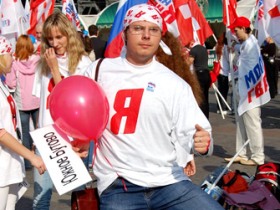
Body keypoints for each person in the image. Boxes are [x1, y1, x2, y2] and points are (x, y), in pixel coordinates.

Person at [82, 4, 223, 209]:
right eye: (138, 28)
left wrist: (203, 143)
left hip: (169, 182)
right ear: (125, 34)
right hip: (120, 184)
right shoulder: (99, 71)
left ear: (160, 37)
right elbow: (78, 112)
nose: (146, 35)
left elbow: (197, 131)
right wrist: (80, 139)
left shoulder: (175, 83)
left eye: (153, 30)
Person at [32, 12, 92, 210]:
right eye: (50, 38)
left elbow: (69, 102)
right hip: (47, 136)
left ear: (69, 35)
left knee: (80, 195)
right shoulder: (42, 63)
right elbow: (41, 104)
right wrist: (35, 137)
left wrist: (56, 69)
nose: (54, 43)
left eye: (59, 37)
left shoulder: (83, 64)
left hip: (74, 137)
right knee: (41, 195)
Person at [0, 36, 46, 210]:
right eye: (9, 54)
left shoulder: (2, 84)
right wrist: (31, 156)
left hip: (9, 165)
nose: (13, 58)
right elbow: (1, 133)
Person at [224, 17, 271, 166]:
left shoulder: (251, 45)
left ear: (244, 28)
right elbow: (240, 47)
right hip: (245, 91)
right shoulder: (248, 44)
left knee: (252, 124)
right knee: (241, 123)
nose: (235, 34)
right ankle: (241, 153)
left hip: (251, 93)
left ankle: (258, 156)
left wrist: (235, 48)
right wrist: (235, 46)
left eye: (236, 30)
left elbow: (244, 53)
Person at [5, 35, 40, 170]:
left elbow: (11, 83)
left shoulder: (15, 63)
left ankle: (27, 163)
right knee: (39, 131)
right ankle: (41, 156)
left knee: (25, 133)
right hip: (37, 100)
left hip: (22, 102)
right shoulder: (38, 60)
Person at [189, 42, 212, 119]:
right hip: (207, 74)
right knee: (205, 98)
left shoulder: (194, 50)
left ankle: (201, 118)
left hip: (199, 74)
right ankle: (206, 117)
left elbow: (189, 62)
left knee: (199, 98)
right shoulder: (204, 49)